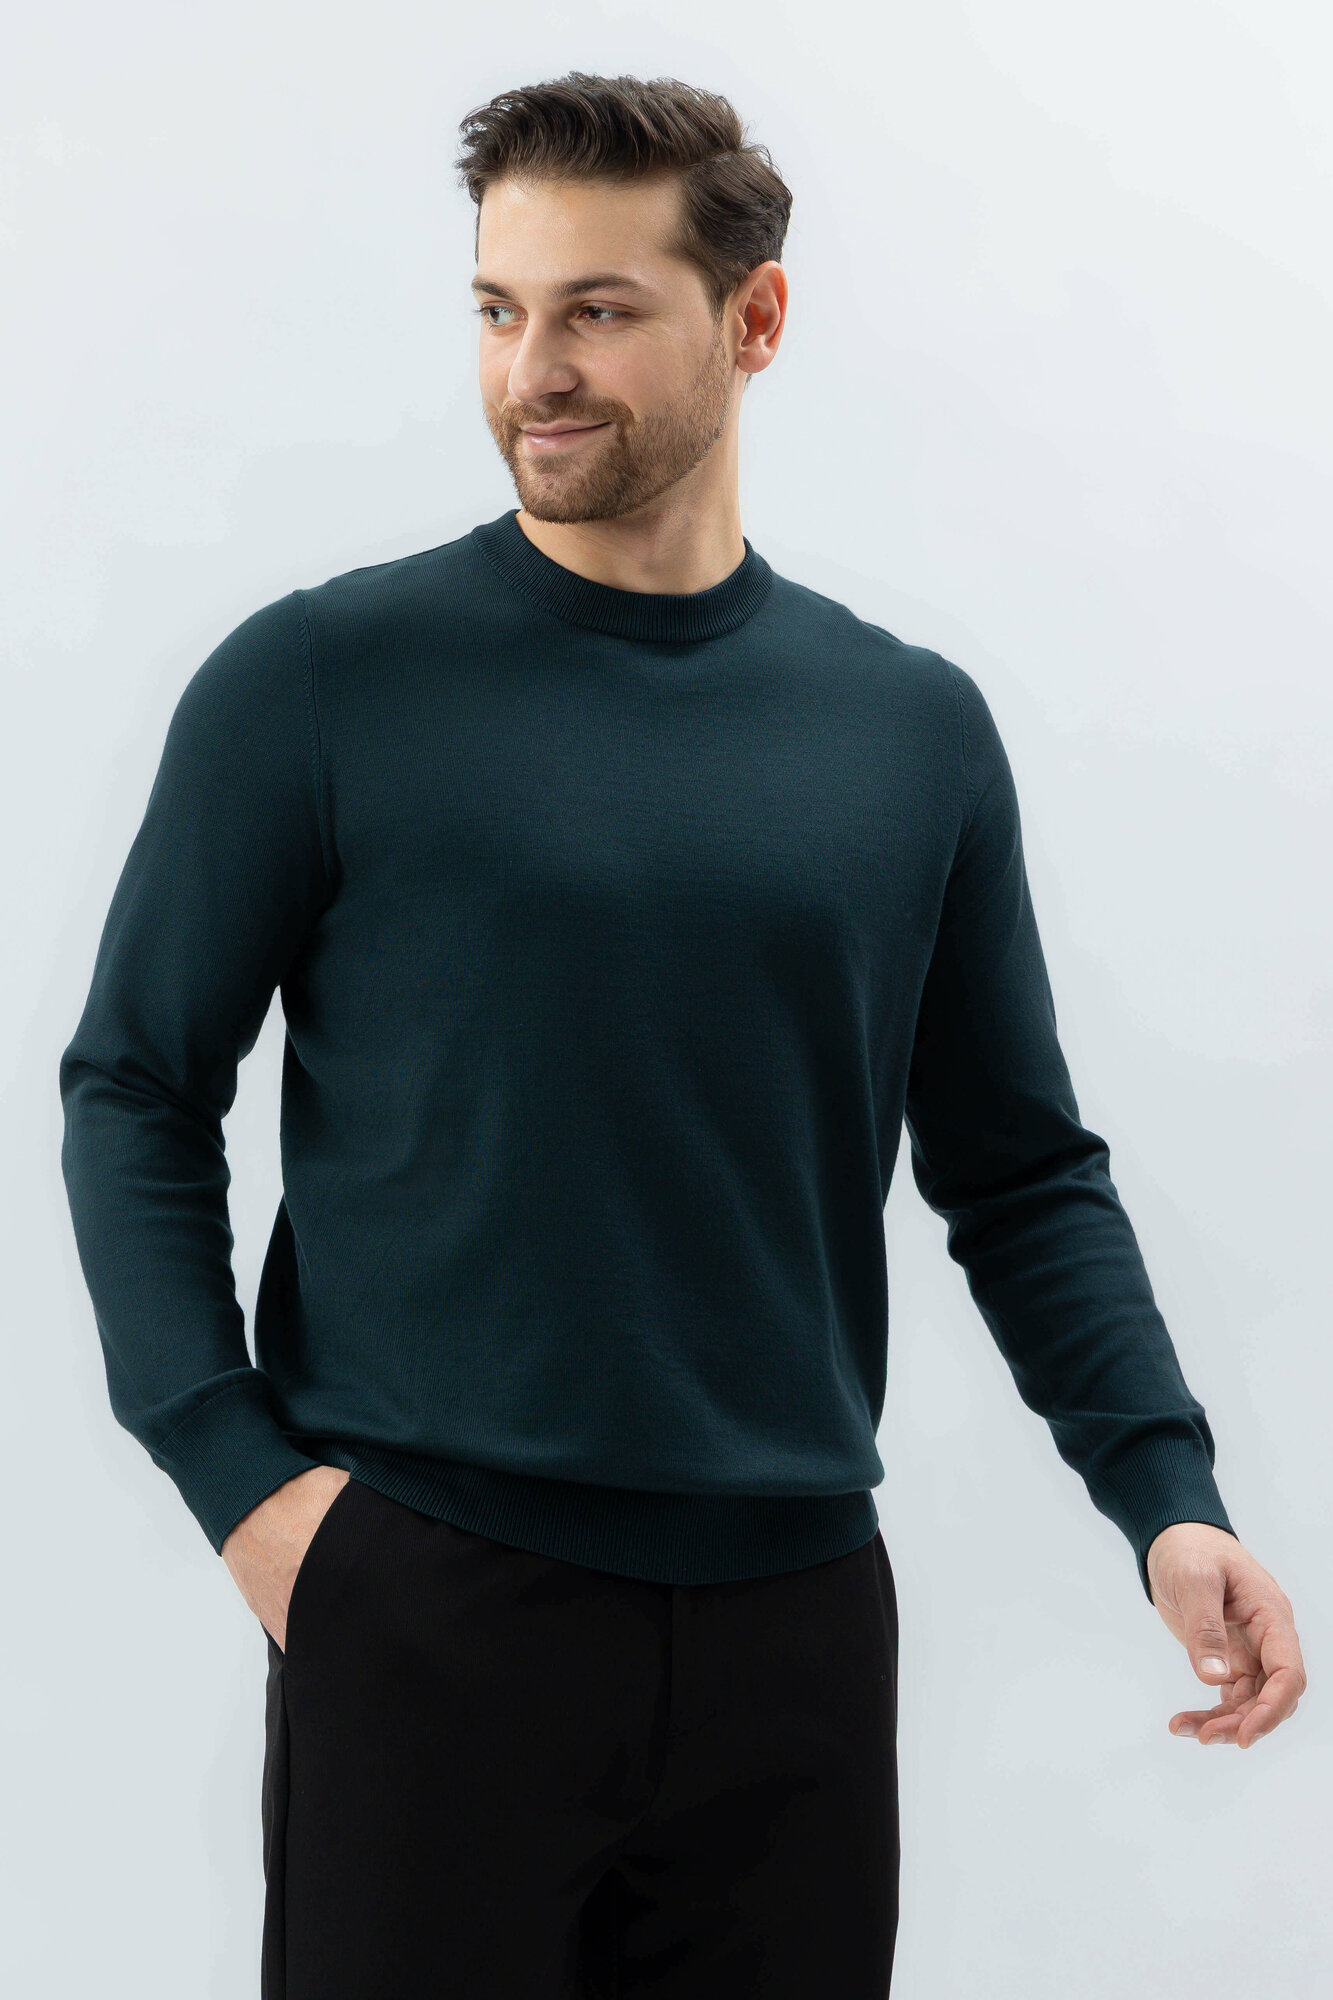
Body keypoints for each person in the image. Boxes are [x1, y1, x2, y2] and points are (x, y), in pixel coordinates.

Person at [58, 69, 1305, 2000]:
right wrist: (243, 1486)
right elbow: (133, 1088)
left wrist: (1165, 1497)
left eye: (597, 310)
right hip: (428, 1603)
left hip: (793, 1633)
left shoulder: (907, 734)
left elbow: (1017, 1171)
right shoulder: (318, 683)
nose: (531, 371)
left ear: (756, 317)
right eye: (497, 308)